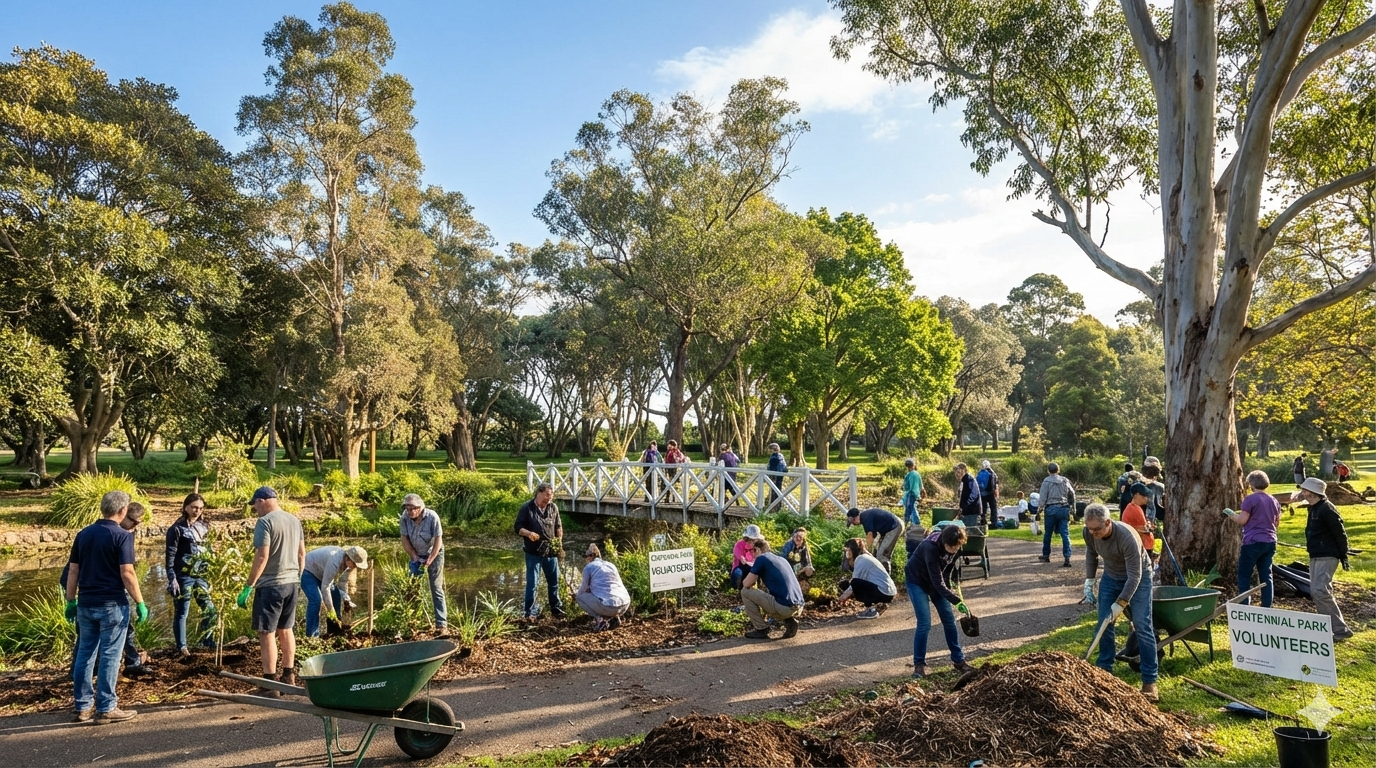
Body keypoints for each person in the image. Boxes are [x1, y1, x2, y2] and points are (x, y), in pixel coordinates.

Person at [64, 490, 147, 723]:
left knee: (85, 653)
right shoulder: (122, 536)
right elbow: (127, 572)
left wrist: (71, 601)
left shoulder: (84, 534)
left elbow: (73, 570)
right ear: (122, 511)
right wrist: (140, 602)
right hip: (111, 604)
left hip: (86, 604)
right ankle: (106, 707)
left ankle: (82, 707)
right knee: (111, 655)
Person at [1081, 503, 1158, 701]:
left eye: (1097, 529)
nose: (1093, 533)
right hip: (1111, 577)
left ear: (1108, 522)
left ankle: (1149, 680)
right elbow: (1091, 553)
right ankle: (1105, 669)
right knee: (1104, 623)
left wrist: (1121, 602)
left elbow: (1135, 576)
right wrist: (1090, 580)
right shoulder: (1089, 532)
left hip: (1139, 578)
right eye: (1090, 529)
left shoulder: (1126, 536)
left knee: (1142, 624)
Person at [237, 486, 304, 697]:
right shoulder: (294, 520)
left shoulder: (265, 522)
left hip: (270, 585)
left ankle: (270, 683)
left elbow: (262, 556)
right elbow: (302, 554)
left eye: (255, 504)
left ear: (263, 500)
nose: (255, 509)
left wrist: (249, 585)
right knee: (286, 629)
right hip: (292, 583)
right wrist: (297, 578)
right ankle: (289, 676)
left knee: (266, 633)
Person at [905, 525, 974, 678]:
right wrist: (956, 600)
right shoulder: (930, 548)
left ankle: (959, 661)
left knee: (949, 620)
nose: (954, 549)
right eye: (951, 546)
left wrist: (952, 591)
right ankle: (919, 665)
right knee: (924, 623)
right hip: (917, 581)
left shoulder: (956, 546)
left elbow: (947, 572)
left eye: (957, 546)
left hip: (936, 582)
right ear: (944, 542)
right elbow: (937, 582)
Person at [1295, 477, 1352, 640]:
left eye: (1304, 490)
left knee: (1320, 590)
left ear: (1313, 493)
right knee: (1317, 591)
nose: (1302, 492)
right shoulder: (1314, 508)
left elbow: (1340, 533)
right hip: (1315, 555)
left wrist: (1343, 555)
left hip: (1328, 555)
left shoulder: (1327, 509)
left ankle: (1340, 630)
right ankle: (1330, 628)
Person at [166, 493, 215, 657]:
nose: (197, 511)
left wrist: (213, 569)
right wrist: (171, 577)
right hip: (183, 575)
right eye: (194, 507)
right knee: (182, 612)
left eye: (200, 508)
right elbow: (170, 556)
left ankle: (206, 640)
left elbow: (209, 550)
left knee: (210, 610)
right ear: (186, 507)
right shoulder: (176, 529)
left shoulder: (205, 526)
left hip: (201, 574)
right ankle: (182, 647)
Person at [1223, 471, 1279, 607]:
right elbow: (1276, 522)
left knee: (1244, 574)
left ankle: (1245, 605)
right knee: (1266, 575)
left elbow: (1242, 520)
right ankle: (1266, 606)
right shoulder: (1274, 500)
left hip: (1253, 541)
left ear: (1252, 484)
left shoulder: (1250, 499)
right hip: (1270, 541)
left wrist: (1231, 514)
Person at [514, 482, 565, 619]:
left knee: (554, 583)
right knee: (532, 584)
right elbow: (518, 527)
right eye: (547, 495)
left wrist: (559, 542)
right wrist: (529, 533)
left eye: (551, 495)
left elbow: (558, 527)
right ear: (539, 493)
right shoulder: (527, 508)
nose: (549, 498)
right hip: (533, 553)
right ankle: (528, 612)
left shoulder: (553, 507)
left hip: (551, 552)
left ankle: (556, 608)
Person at [400, 493, 447, 631]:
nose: (410, 511)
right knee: (412, 587)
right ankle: (413, 622)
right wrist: (414, 556)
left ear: (420, 507)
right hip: (416, 553)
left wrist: (430, 559)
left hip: (435, 553)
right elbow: (404, 539)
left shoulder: (432, 517)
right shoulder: (405, 517)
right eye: (407, 508)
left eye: (413, 508)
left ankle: (441, 624)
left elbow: (438, 540)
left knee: (436, 587)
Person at [740, 539, 804, 640]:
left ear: (757, 549)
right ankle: (789, 621)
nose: (751, 554)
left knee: (744, 592)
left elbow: (746, 584)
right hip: (799, 606)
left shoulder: (761, 558)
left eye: (752, 551)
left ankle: (761, 629)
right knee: (774, 596)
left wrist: (752, 571)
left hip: (784, 607)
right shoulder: (782, 559)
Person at [301, 545, 368, 638]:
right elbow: (325, 587)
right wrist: (330, 610)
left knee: (336, 594)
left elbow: (343, 583)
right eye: (355, 564)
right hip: (307, 571)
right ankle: (312, 635)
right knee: (316, 600)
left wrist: (346, 599)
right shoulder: (334, 562)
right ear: (348, 559)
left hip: (321, 574)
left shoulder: (347, 565)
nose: (355, 567)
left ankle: (334, 629)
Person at [837, 538, 897, 618]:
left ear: (853, 550)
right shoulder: (864, 557)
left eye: (848, 550)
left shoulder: (861, 560)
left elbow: (854, 584)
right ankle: (879, 605)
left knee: (855, 583)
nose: (846, 552)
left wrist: (842, 597)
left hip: (884, 592)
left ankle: (871, 610)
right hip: (887, 591)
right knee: (846, 584)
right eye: (846, 550)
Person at [576, 544, 631, 631]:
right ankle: (615, 618)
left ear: (592, 556)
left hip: (608, 606)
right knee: (608, 594)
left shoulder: (589, 568)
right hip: (625, 604)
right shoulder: (611, 565)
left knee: (579, 597)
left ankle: (600, 620)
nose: (586, 558)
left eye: (587, 556)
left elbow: (582, 590)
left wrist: (575, 594)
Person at [1037, 462, 1076, 567]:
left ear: (1048, 471)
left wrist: (1039, 510)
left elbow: (1043, 497)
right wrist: (1073, 508)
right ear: (1058, 470)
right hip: (1063, 508)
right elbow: (1072, 494)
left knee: (1048, 533)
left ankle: (1046, 555)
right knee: (1065, 533)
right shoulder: (1064, 480)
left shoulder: (1046, 481)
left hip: (1051, 509)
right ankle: (1067, 556)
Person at [846, 506, 904, 572]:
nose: (853, 524)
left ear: (857, 517)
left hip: (894, 527)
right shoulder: (865, 516)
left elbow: (870, 536)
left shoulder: (865, 518)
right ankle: (876, 573)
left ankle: (885, 577)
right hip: (888, 529)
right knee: (876, 553)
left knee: (882, 555)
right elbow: (874, 535)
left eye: (853, 522)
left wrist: (868, 552)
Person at [1121, 483, 1156, 558]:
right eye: (1144, 495)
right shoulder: (1133, 509)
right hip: (1140, 547)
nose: (1146, 498)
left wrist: (1148, 525)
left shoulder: (1136, 508)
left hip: (1144, 546)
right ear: (1136, 495)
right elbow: (1137, 529)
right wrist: (1148, 528)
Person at [731, 524, 762, 589]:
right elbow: (737, 553)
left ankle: (756, 588)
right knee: (738, 574)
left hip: (752, 566)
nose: (752, 541)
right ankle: (737, 589)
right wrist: (741, 557)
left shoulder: (757, 545)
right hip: (740, 565)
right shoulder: (739, 544)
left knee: (758, 573)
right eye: (751, 539)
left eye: (754, 539)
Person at [901, 458, 924, 526]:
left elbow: (906, 486)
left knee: (910, 509)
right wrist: (922, 492)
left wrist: (903, 487)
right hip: (916, 494)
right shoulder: (917, 474)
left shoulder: (909, 475)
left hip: (911, 493)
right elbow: (921, 485)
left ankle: (914, 523)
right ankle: (913, 523)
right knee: (912, 508)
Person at [975, 460, 998, 525]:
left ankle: (983, 522)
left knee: (983, 509)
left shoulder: (980, 473)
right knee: (993, 508)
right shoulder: (992, 473)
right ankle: (994, 522)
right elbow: (995, 483)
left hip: (982, 494)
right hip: (990, 493)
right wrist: (994, 491)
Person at [766, 442, 787, 508]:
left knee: (774, 491)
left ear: (772, 449)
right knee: (778, 490)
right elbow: (785, 468)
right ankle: (778, 506)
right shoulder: (781, 456)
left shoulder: (774, 457)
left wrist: (768, 473)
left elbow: (771, 468)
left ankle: (773, 506)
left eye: (770, 450)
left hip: (775, 476)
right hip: (780, 476)